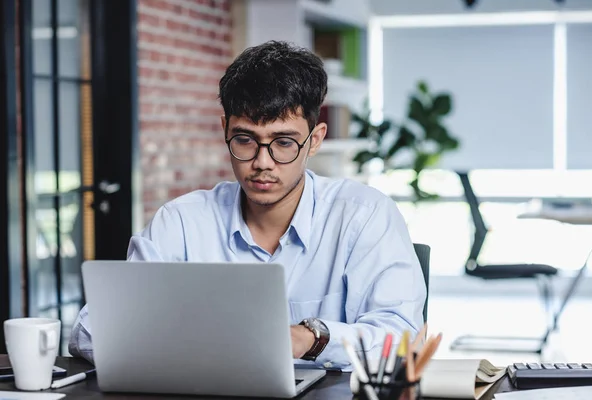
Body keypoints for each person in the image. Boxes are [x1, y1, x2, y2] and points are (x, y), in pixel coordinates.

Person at [69, 40, 426, 370]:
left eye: (283, 143)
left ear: (314, 140)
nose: (262, 163)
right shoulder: (181, 222)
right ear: (225, 129)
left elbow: (402, 338)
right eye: (245, 139)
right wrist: (202, 343)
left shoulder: (364, 216)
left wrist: (310, 338)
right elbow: (88, 332)